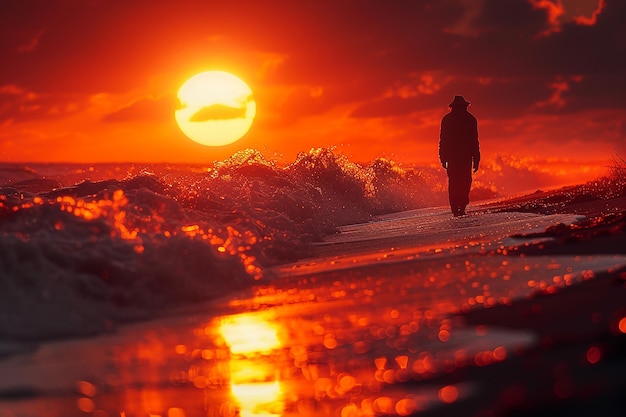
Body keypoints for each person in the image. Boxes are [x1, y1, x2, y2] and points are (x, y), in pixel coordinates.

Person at [438, 95, 480, 217]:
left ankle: (457, 208)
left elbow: (443, 140)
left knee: (455, 183)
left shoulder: (447, 119)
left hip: (455, 157)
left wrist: (442, 157)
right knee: (464, 182)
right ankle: (459, 207)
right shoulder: (470, 119)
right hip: (463, 157)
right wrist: (476, 159)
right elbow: (474, 141)